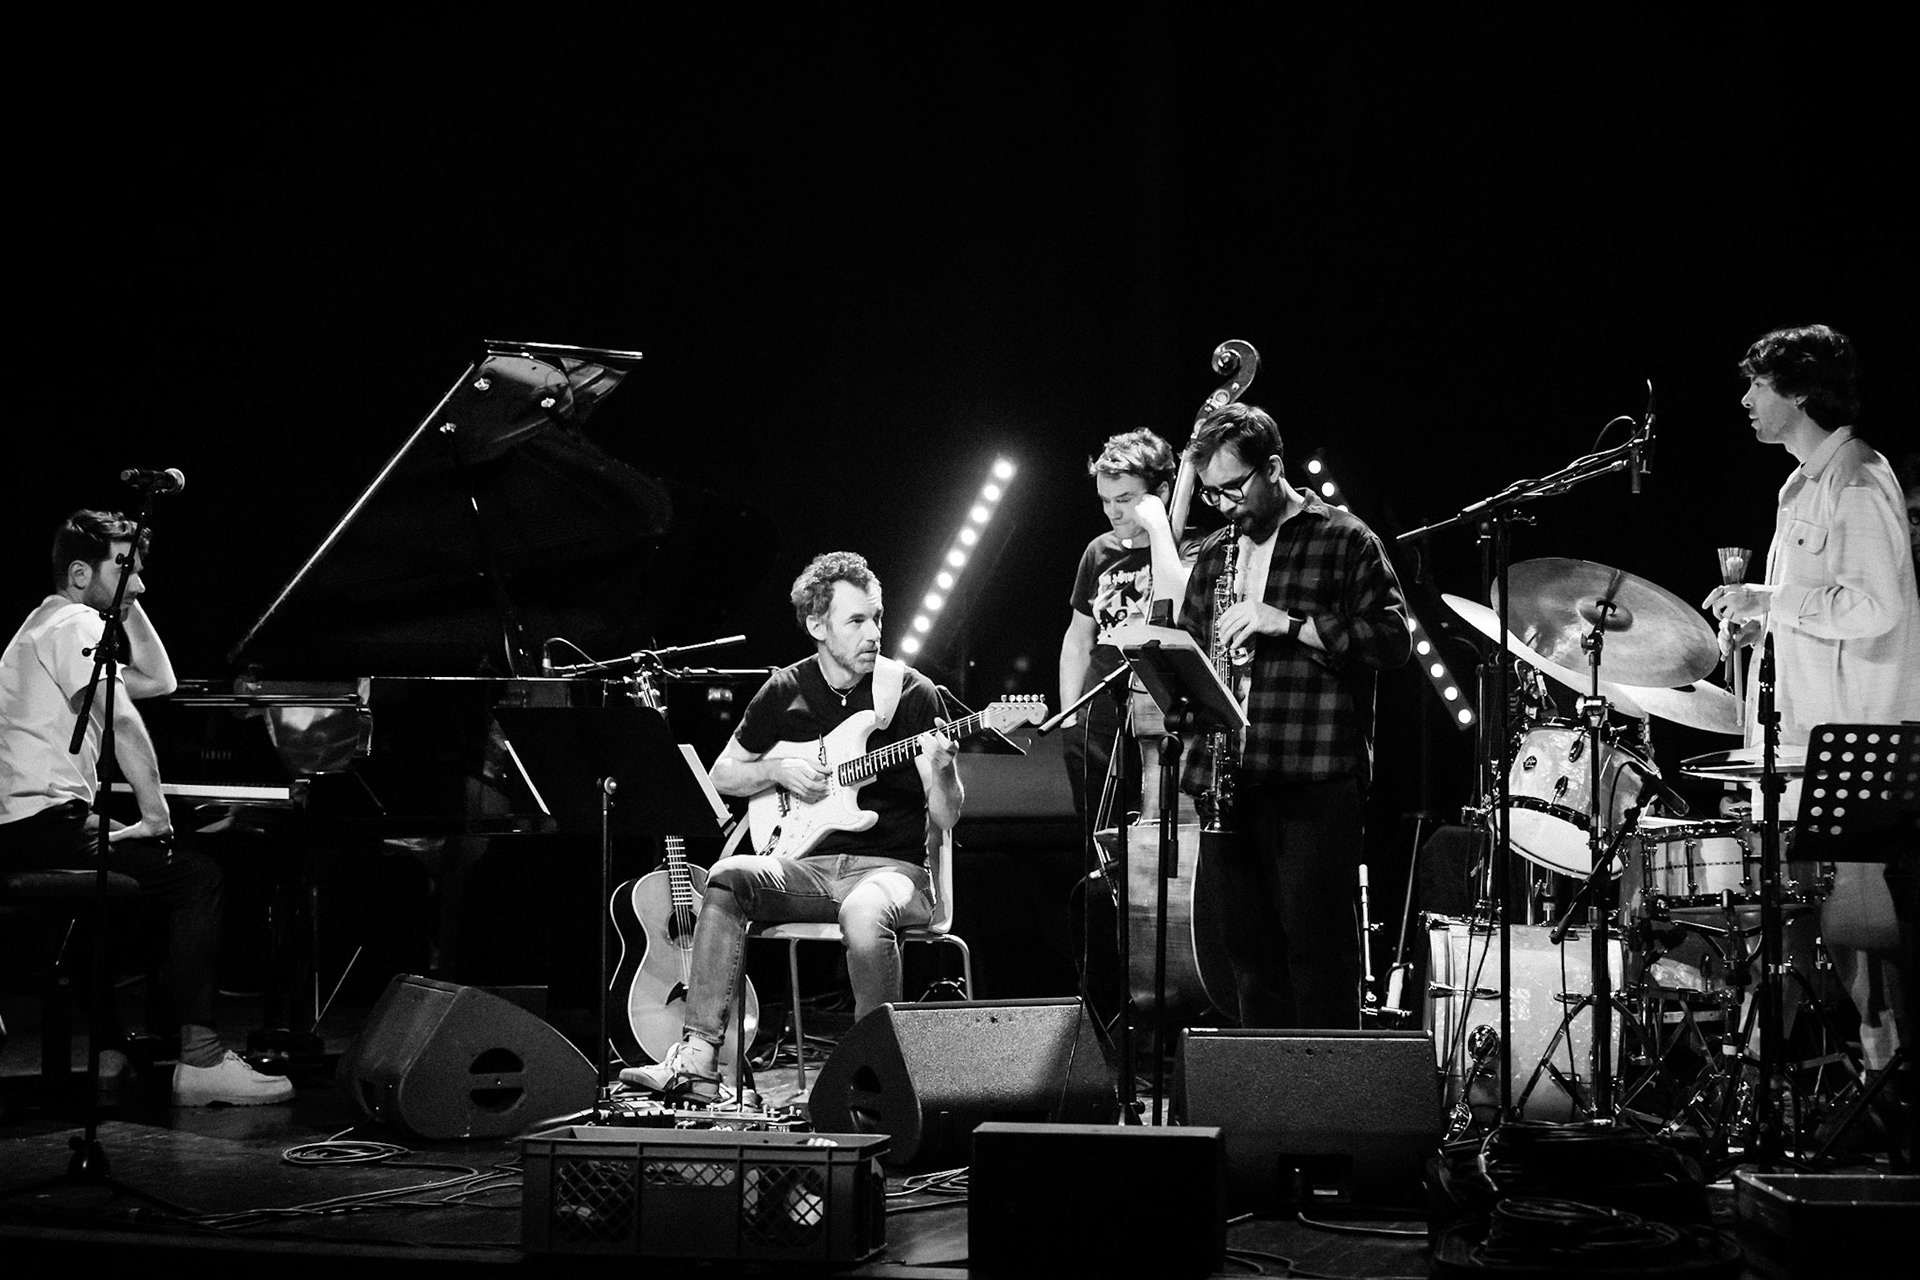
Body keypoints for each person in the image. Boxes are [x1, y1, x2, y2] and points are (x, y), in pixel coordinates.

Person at [625, 551, 961, 1101]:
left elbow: (945, 816)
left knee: (865, 910)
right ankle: (697, 1061)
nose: (873, 632)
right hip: (807, 869)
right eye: (856, 621)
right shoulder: (785, 690)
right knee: (729, 875)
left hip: (894, 873)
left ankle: (872, 1077)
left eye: (877, 617)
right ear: (816, 626)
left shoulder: (913, 693)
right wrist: (777, 768)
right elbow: (723, 774)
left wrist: (945, 769)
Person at [0, 509, 295, 1105]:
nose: (140, 584)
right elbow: (127, 726)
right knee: (194, 878)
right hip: (36, 827)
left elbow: (157, 681)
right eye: (126, 570)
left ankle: (110, 1051)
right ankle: (201, 1061)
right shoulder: (71, 623)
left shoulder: (56, 624)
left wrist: (125, 603)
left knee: (121, 879)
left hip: (31, 825)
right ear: (80, 573)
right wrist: (155, 815)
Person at [1703, 325, 1920, 1087]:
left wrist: (1775, 599)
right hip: (1806, 742)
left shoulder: (1860, 480)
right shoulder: (1799, 485)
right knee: (1840, 935)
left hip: (1859, 749)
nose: (1746, 400)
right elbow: (1811, 610)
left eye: (1757, 385)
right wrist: (1762, 617)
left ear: (1798, 390)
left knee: (1871, 932)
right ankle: (1869, 1088)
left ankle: (1889, 1094)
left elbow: (1876, 606)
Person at [1176, 403, 1411, 1030]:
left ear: (1273, 467)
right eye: (1210, 494)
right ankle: (1267, 1112)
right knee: (1248, 958)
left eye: (1233, 488)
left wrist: (1292, 625)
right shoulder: (1216, 552)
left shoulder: (1345, 538)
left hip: (1313, 778)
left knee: (1319, 954)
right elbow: (1191, 650)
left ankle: (1329, 1111)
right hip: (1231, 779)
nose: (1223, 505)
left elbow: (1393, 641)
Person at [1057, 429, 1194, 837]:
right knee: (1100, 837)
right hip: (1099, 712)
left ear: (1161, 493)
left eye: (1125, 500)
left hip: (1160, 710)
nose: (1113, 513)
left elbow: (1183, 602)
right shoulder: (1098, 551)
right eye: (1105, 501)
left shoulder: (1188, 547)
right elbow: (1078, 637)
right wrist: (1071, 719)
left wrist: (1158, 533)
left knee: (1154, 829)